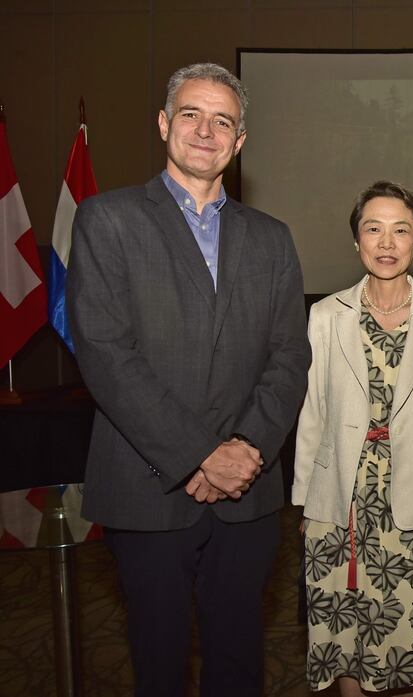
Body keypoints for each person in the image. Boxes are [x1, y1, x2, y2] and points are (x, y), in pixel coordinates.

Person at [67, 63, 311, 697]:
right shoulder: (107, 220)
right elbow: (105, 353)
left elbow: (290, 357)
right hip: (148, 490)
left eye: (222, 120)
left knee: (239, 659)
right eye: (192, 115)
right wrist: (203, 454)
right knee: (159, 660)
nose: (206, 130)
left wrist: (247, 450)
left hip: (249, 495)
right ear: (163, 124)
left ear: (240, 141)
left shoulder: (273, 239)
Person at [292, 181, 413, 695]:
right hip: (340, 503)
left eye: (401, 230)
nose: (386, 241)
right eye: (372, 228)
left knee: (408, 644)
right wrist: (306, 502)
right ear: (356, 241)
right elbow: (313, 413)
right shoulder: (326, 316)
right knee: (345, 633)